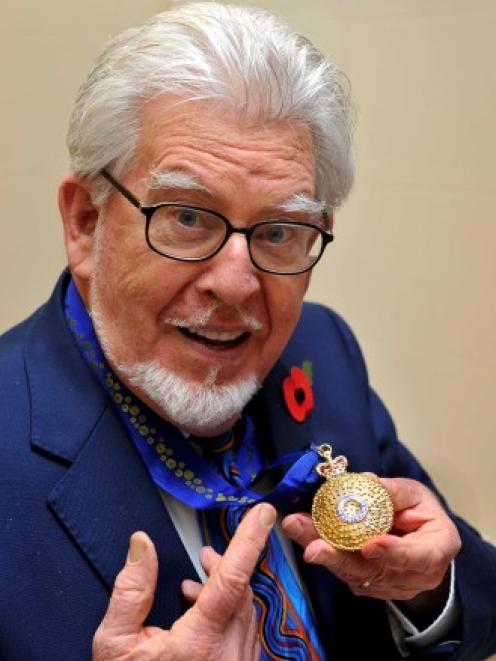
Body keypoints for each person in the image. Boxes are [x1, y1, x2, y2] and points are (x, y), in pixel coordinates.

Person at [0, 3, 495, 660]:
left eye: (281, 231)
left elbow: (477, 606)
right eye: (187, 217)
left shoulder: (323, 355)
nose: (234, 284)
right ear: (85, 223)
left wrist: (428, 591)